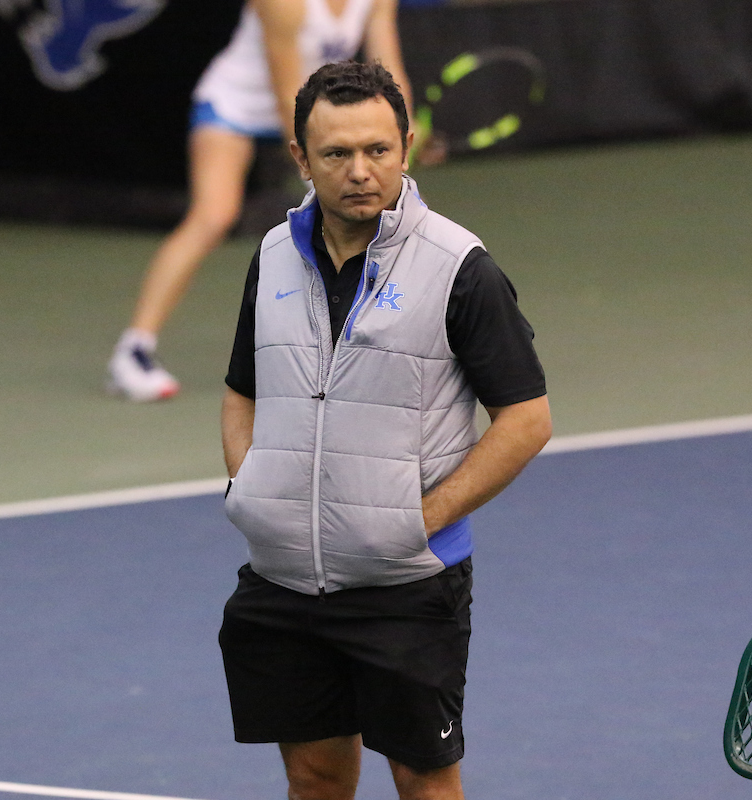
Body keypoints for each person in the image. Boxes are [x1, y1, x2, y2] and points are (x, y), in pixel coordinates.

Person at [218, 61, 552, 800]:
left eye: (378, 150)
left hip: (406, 584)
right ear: (301, 160)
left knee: (424, 783)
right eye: (337, 154)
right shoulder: (273, 254)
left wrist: (417, 522)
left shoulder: (460, 268)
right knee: (313, 776)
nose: (360, 172)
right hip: (283, 581)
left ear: (405, 145)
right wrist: (252, 492)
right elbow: (242, 388)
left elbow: (527, 421)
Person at [107, 0, 417, 401]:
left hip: (319, 119)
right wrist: (321, 169)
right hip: (238, 105)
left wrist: (396, 139)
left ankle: (372, 352)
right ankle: (134, 349)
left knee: (380, 223)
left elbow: (389, 77)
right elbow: (286, 89)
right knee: (214, 216)